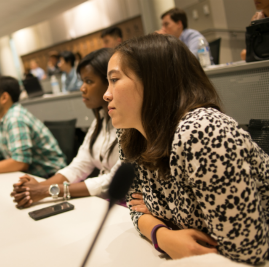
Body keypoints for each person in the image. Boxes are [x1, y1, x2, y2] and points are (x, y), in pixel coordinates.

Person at [104, 34, 269, 264]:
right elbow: (135, 207)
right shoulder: (131, 135)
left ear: (153, 81)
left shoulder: (203, 131)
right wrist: (163, 236)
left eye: (114, 79)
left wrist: (157, 218)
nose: (107, 94)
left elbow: (246, 251)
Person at [11, 48, 120, 208]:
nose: (82, 88)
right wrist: (37, 188)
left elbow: (112, 180)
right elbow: (80, 165)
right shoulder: (101, 120)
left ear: (109, 83)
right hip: (104, 203)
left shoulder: (129, 124)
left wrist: (46, 190)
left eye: (89, 81)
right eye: (82, 81)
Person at [0, 76, 66, 178]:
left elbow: (20, 163)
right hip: (29, 175)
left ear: (4, 98)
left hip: (50, 176)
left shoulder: (15, 118)